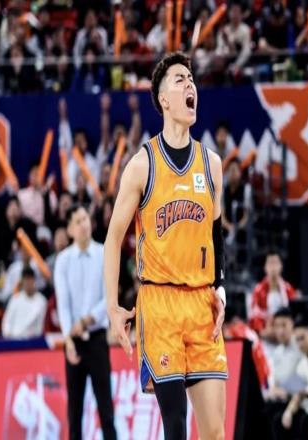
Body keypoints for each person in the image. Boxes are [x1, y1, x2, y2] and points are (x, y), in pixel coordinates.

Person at [104, 52, 227, 440]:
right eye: (179, 79)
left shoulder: (212, 164)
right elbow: (113, 239)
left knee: (214, 431)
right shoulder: (142, 164)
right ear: (163, 100)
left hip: (201, 302)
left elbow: (216, 233)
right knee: (176, 425)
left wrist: (220, 288)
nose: (190, 84)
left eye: (192, 79)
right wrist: (112, 306)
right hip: (159, 303)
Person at [54, 205, 116, 440]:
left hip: (97, 339)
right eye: (78, 221)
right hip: (74, 342)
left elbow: (109, 297)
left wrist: (86, 319)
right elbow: (63, 304)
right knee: (74, 412)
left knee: (106, 409)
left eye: (86, 219)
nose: (84, 224)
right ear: (70, 229)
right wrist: (68, 340)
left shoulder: (103, 253)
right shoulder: (63, 260)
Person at [275, 317, 308, 440]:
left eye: (303, 338)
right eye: (297, 340)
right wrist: (289, 412)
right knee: (279, 419)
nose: (300, 344)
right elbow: (297, 393)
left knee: (305, 422)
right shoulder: (301, 364)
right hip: (303, 406)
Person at [250, 251, 297, 336]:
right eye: (270, 263)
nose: (273, 267)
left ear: (281, 266)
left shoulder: (288, 289)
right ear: (265, 267)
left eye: (275, 263)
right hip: (267, 335)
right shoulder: (258, 291)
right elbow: (255, 318)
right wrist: (265, 332)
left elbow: (294, 314)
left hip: (287, 334)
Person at [2, 267, 47, 339]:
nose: (28, 282)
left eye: (30, 279)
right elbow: (7, 322)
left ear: (34, 280)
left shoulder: (42, 301)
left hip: (33, 340)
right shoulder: (15, 298)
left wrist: (36, 336)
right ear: (22, 281)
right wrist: (8, 336)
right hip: (14, 339)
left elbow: (41, 325)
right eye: (26, 279)